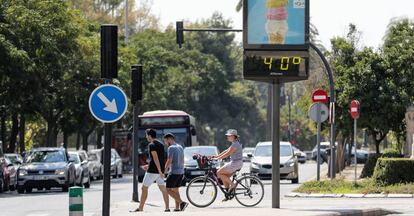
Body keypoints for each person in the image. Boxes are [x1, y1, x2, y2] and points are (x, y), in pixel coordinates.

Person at [132, 129, 170, 212]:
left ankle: (141, 208)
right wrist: (159, 170)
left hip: (152, 171)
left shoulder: (151, 145)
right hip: (159, 171)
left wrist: (159, 170)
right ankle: (167, 208)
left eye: (146, 135)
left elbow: (155, 158)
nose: (146, 137)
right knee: (163, 189)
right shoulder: (161, 144)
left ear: (149, 136)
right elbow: (159, 159)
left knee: (144, 188)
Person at [212, 129, 243, 201]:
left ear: (233, 136)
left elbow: (227, 154)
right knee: (224, 176)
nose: (228, 137)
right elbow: (226, 151)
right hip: (236, 163)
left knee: (218, 172)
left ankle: (232, 185)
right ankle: (228, 194)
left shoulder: (235, 144)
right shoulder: (235, 143)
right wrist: (216, 156)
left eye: (229, 136)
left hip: (235, 163)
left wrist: (218, 159)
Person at [163, 133, 188, 212]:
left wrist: (165, 170)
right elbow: (183, 159)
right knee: (176, 190)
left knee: (168, 189)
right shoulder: (180, 147)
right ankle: (177, 208)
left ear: (169, 139)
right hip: (180, 172)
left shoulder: (171, 148)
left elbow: (169, 160)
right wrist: (182, 170)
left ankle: (182, 203)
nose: (165, 143)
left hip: (174, 172)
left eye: (165, 141)